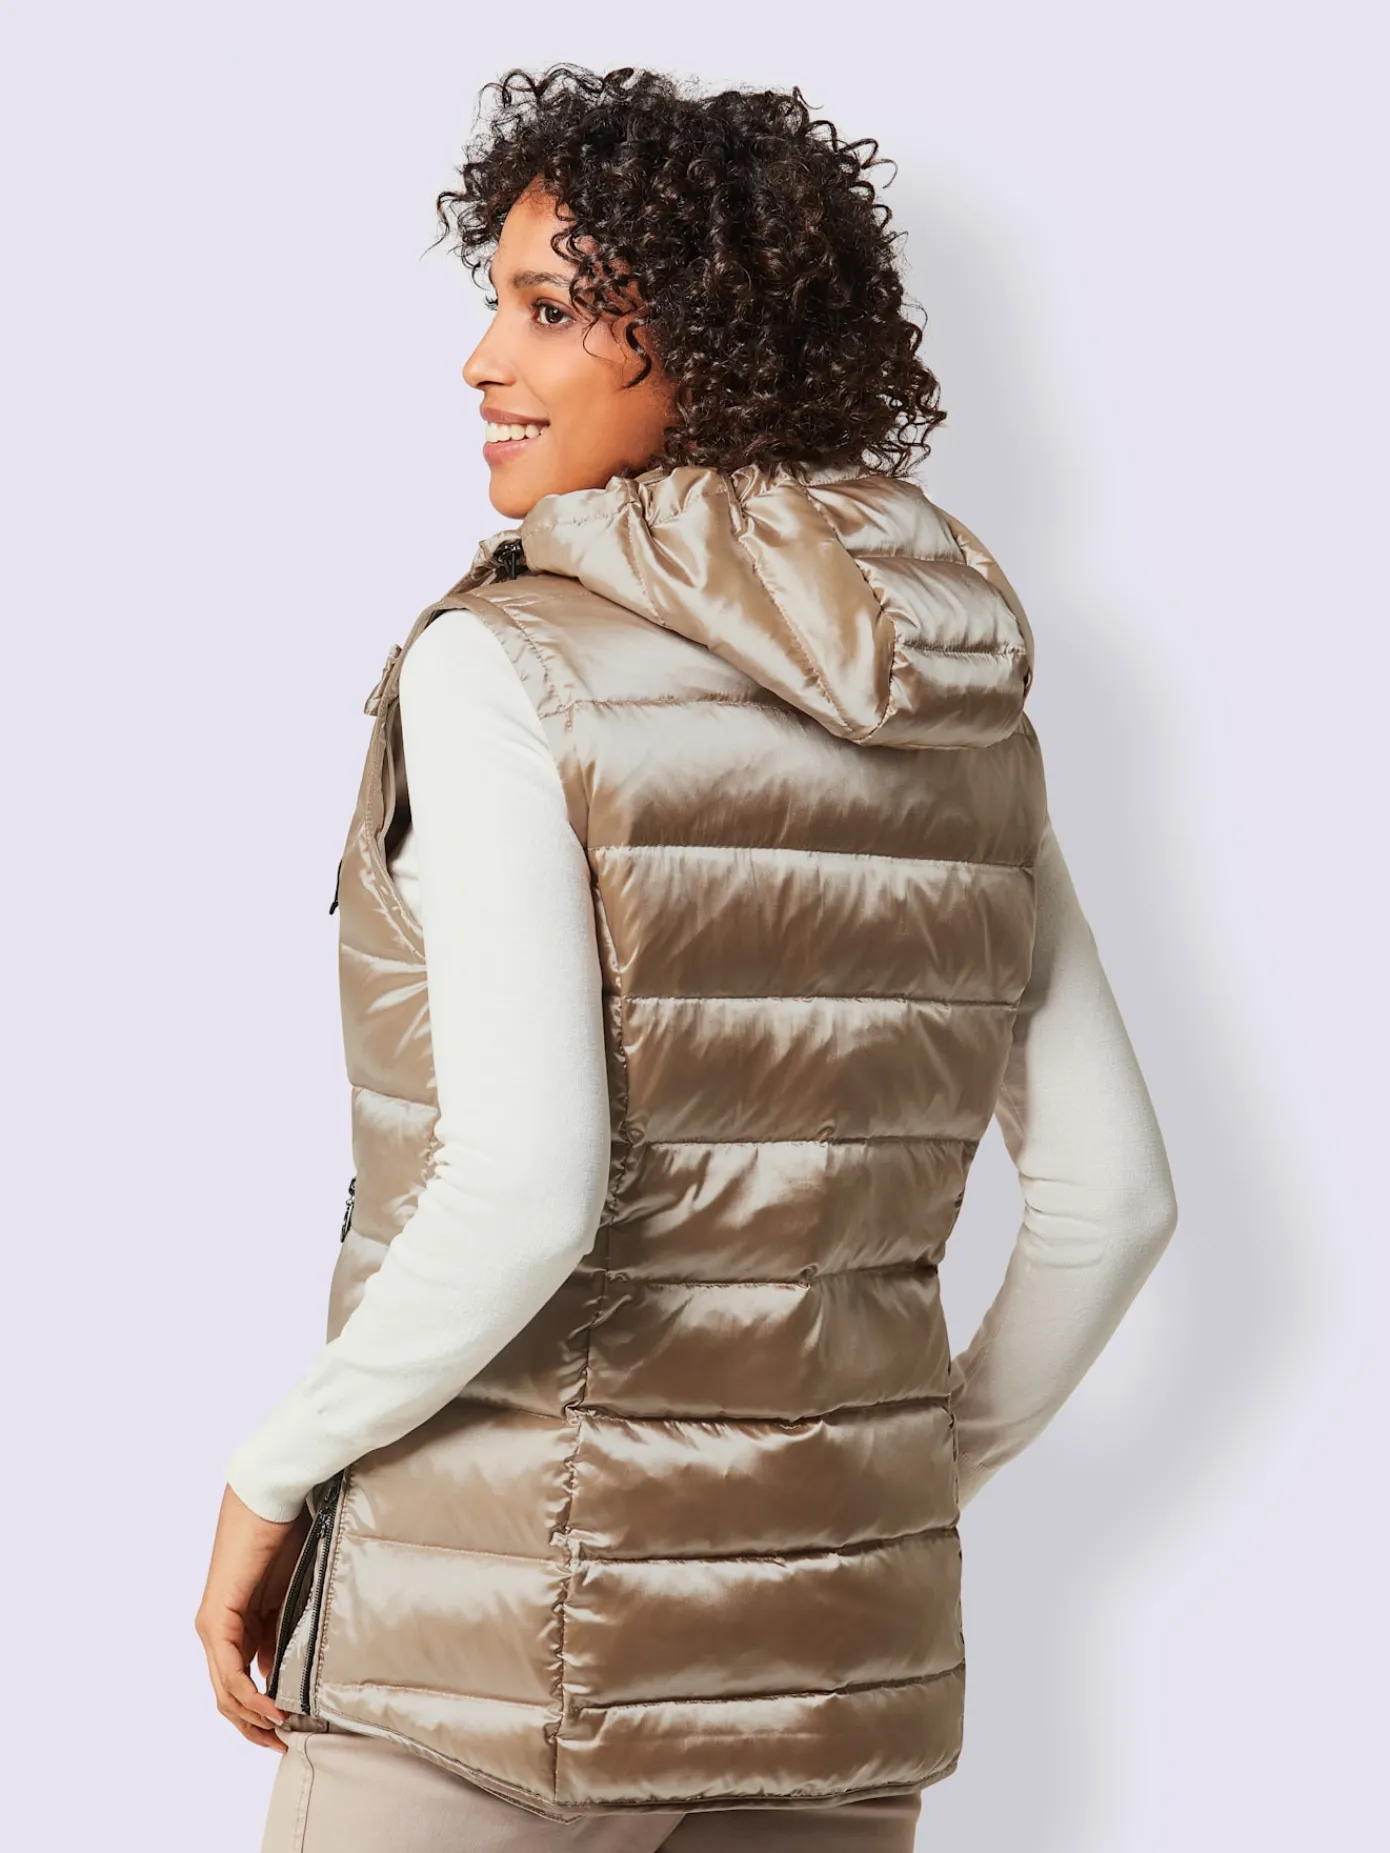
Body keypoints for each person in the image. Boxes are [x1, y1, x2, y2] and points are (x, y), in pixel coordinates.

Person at [195, 65, 1179, 1853]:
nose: (481, 361)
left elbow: (523, 1193)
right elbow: (1109, 1202)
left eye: (546, 310)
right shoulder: (963, 709)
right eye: (494, 302)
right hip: (833, 1676)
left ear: (709, 347)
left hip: (492, 1662)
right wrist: (891, 1480)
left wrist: (275, 1475)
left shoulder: (507, 668)